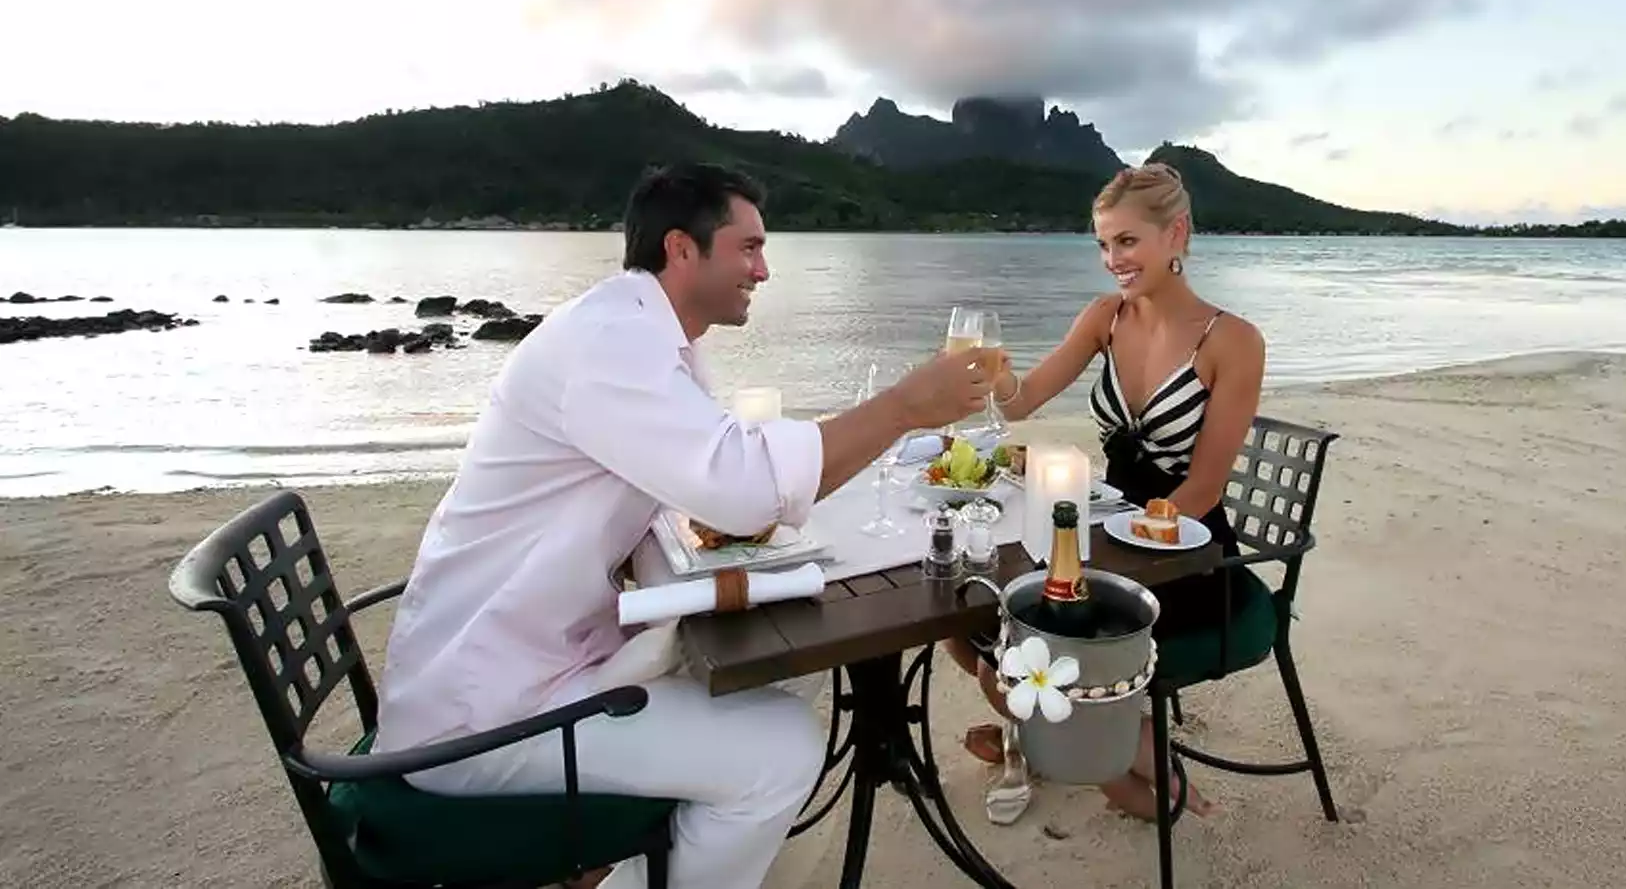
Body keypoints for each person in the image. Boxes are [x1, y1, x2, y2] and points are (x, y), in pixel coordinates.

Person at [371, 162, 992, 889]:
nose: (764, 269)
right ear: (681, 248)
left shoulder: (643, 335)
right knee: (782, 750)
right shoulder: (611, 345)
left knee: (788, 678)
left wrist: (737, 495)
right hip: (486, 711)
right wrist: (904, 407)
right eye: (748, 247)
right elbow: (744, 490)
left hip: (535, 655)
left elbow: (710, 482)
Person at [943, 162, 1265, 821]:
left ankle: (1129, 770)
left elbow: (1204, 488)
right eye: (1103, 243)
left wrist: (1125, 541)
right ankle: (1078, 741)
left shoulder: (1233, 341)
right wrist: (996, 376)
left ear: (1176, 234)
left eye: (1127, 241)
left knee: (1026, 634)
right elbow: (1023, 400)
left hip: (1187, 553)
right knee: (964, 615)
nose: (1112, 259)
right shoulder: (1105, 318)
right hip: (1107, 535)